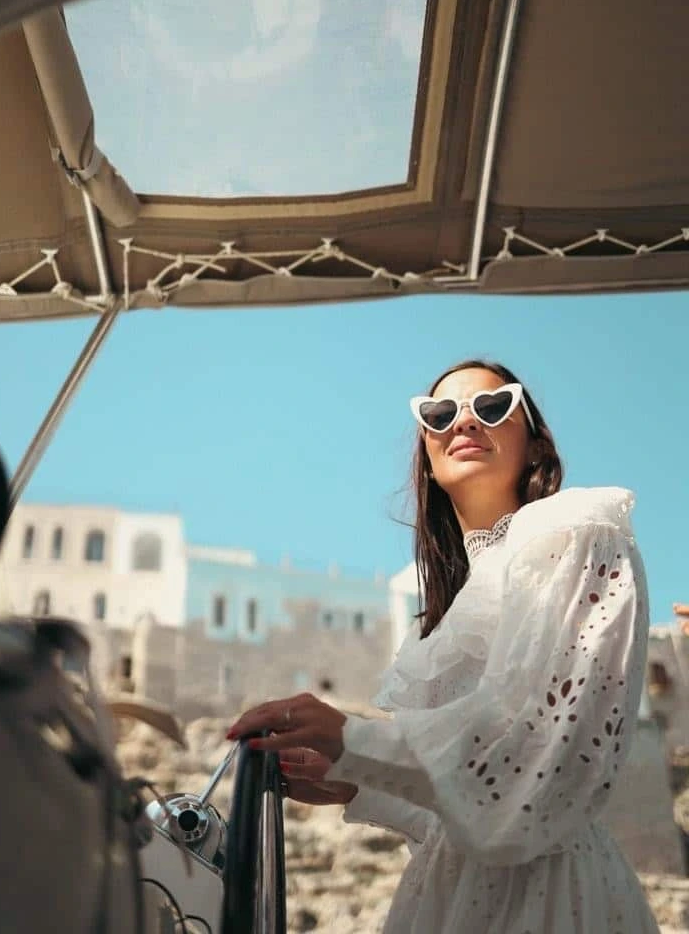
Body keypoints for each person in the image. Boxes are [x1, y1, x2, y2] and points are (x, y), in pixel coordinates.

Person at [228, 360, 660, 933]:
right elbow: (461, 812)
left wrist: (353, 738)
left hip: (550, 899)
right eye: (439, 414)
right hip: (446, 900)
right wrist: (353, 779)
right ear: (427, 456)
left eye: (492, 407)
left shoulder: (579, 531)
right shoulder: (441, 621)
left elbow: (539, 765)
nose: (464, 424)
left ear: (534, 446)